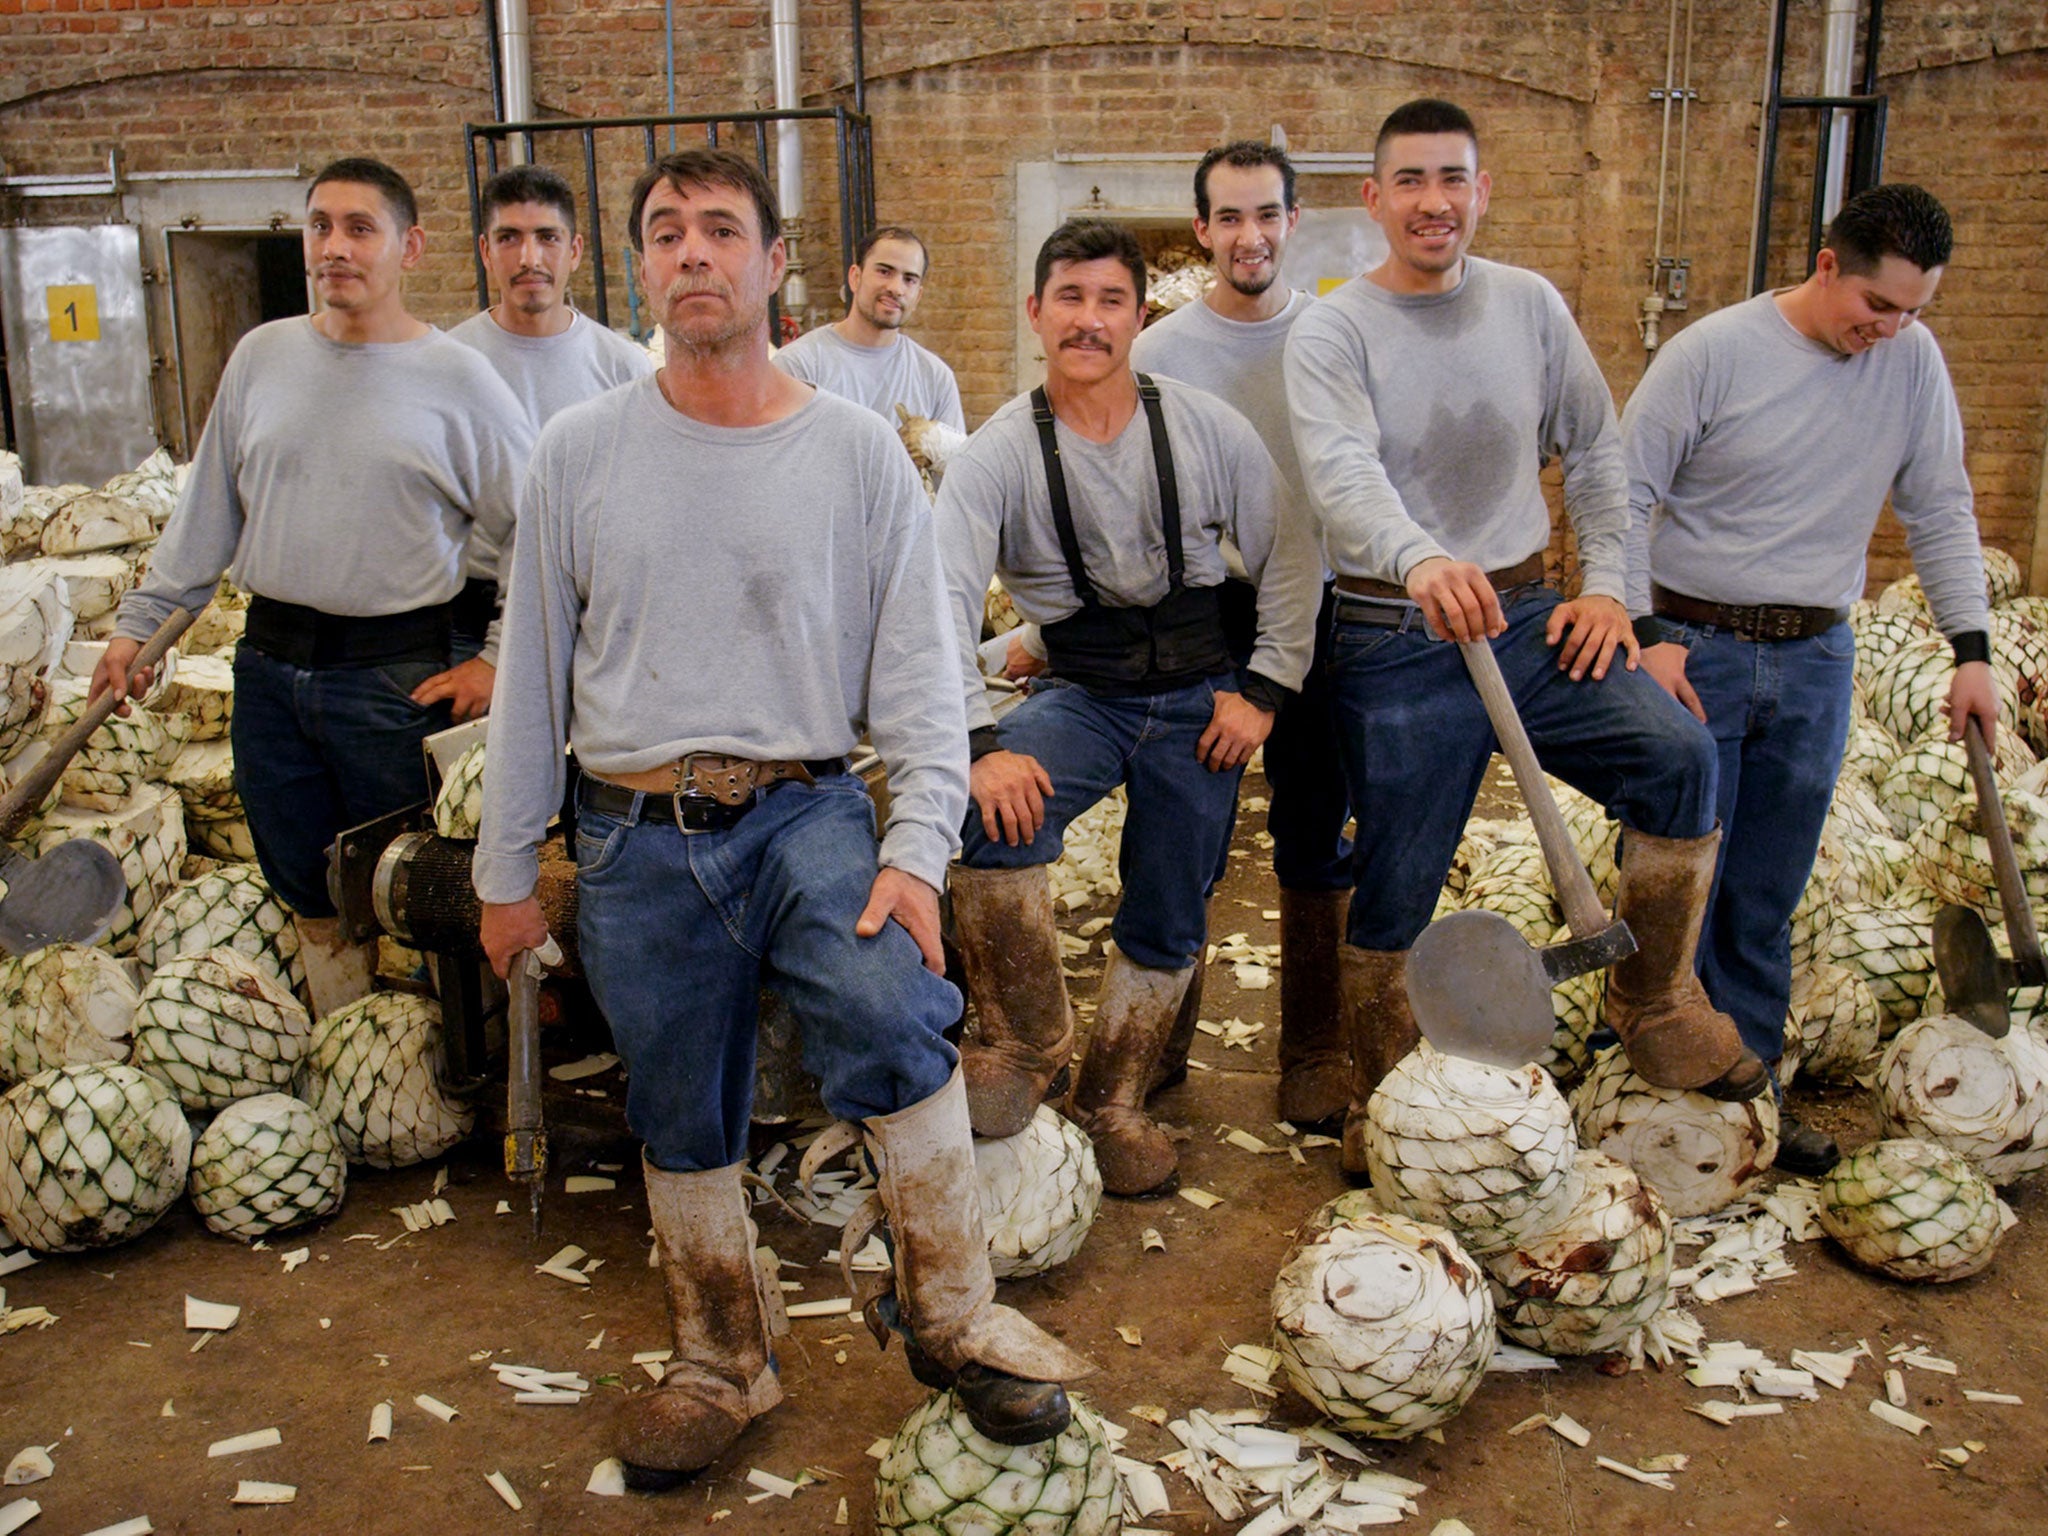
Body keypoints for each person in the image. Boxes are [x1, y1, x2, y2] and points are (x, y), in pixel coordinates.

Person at [473, 149, 1091, 1490]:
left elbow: (924, 677)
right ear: (642, 269)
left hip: (807, 811)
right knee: (677, 1098)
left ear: (772, 267)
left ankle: (957, 1309)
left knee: (889, 1011)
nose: (693, 252)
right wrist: (505, 867)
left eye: (721, 230)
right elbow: (528, 677)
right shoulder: (579, 453)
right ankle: (723, 1356)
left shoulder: (856, 452)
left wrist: (919, 857)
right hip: (635, 834)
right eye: (665, 233)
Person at [1284, 98, 1769, 1180]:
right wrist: (1419, 558)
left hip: (1527, 620)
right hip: (1392, 630)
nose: (1431, 201)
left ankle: (1652, 1001)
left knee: (1679, 759)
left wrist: (1605, 592)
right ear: (1373, 199)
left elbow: (1597, 455)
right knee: (1397, 883)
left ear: (1480, 192)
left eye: (1452, 178)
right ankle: (1387, 1095)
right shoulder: (1335, 328)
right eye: (1408, 180)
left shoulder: (1530, 306)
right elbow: (1340, 475)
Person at [936, 217, 1321, 1197]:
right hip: (1083, 693)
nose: (1088, 320)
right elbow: (930, 609)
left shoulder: (1200, 428)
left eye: (1110, 301)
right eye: (1068, 298)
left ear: (1138, 317)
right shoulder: (994, 456)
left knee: (1170, 898)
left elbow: (1289, 555)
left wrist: (1264, 691)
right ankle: (1026, 1043)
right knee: (983, 818)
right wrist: (978, 743)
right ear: (1034, 313)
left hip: (1201, 695)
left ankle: (1114, 1096)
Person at [92, 156, 530, 1016]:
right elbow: (205, 518)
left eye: (359, 227)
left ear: (412, 247)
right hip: (269, 669)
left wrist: (496, 659)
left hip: (393, 676)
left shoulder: (459, 380)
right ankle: (346, 1044)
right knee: (306, 885)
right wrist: (137, 631)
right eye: (320, 224)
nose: (334, 246)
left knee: (411, 888)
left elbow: (537, 530)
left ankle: (437, 1067)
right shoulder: (262, 357)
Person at [1623, 184, 1994, 1176]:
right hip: (1691, 652)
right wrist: (1645, 632)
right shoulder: (1709, 353)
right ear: (1825, 265)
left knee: (1760, 895)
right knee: (1680, 890)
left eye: (1913, 310)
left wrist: (1970, 649)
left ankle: (1749, 1104)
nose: (1891, 329)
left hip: (1818, 657)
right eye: (1876, 306)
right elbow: (1621, 492)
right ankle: (1652, 1100)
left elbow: (1940, 507)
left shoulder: (1909, 363)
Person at [1129, 139, 1354, 1134]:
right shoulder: (1157, 352)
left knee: (1314, 824)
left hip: (1327, 604)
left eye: (1265, 214)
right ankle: (1158, 1045)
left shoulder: (1338, 334)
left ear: (1291, 222)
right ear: (1202, 230)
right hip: (1204, 614)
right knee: (1185, 831)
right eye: (1227, 217)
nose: (1248, 235)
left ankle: (1311, 1047)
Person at [449, 165, 654, 656]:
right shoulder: (448, 364)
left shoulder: (622, 365)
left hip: (588, 603)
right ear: (485, 251)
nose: (530, 257)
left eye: (547, 237)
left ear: (575, 251)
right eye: (509, 238)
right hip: (463, 612)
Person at [771, 224, 968, 469]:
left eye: (909, 279)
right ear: (855, 277)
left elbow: (961, 477)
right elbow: (773, 465)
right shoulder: (798, 366)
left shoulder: (935, 376)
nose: (896, 288)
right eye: (885, 272)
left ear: (918, 295)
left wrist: (940, 448)